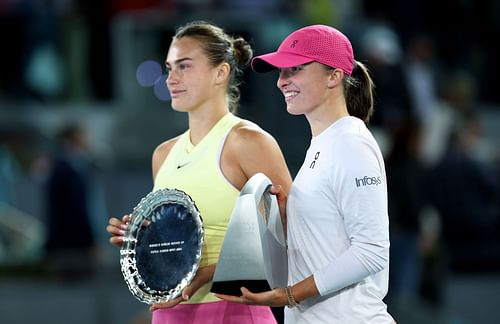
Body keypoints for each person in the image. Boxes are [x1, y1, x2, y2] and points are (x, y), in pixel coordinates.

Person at [106, 21, 292, 324]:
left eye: (184, 67)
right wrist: (141, 240)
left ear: (221, 72)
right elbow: (176, 243)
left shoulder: (248, 142)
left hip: (235, 310)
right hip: (170, 314)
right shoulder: (163, 155)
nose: (171, 79)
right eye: (169, 68)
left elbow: (291, 231)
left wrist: (215, 271)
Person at [216, 25, 395, 323]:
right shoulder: (325, 144)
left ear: (334, 76)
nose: (281, 82)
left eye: (294, 69)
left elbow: (371, 251)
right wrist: (288, 214)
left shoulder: (351, 143)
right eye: (280, 72)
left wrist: (288, 295)